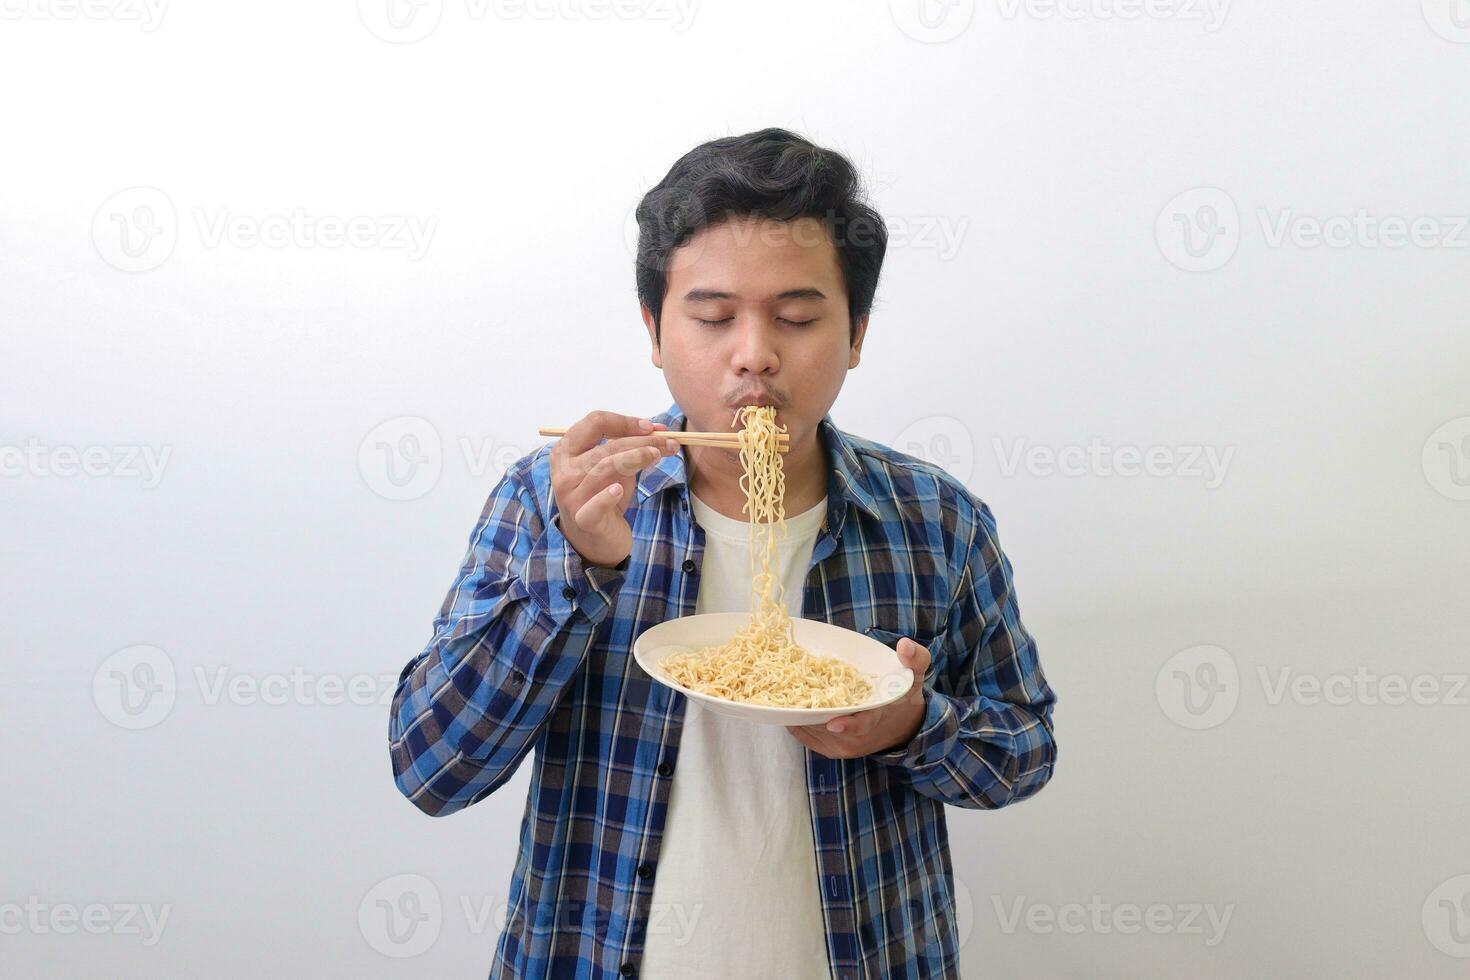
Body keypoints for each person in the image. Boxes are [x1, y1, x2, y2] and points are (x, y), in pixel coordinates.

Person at [389, 127, 1058, 980]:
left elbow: (1025, 748)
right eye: (712, 317)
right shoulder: (554, 498)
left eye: (798, 317)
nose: (754, 355)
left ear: (856, 333)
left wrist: (914, 726)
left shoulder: (934, 520)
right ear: (655, 330)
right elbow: (432, 769)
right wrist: (579, 565)